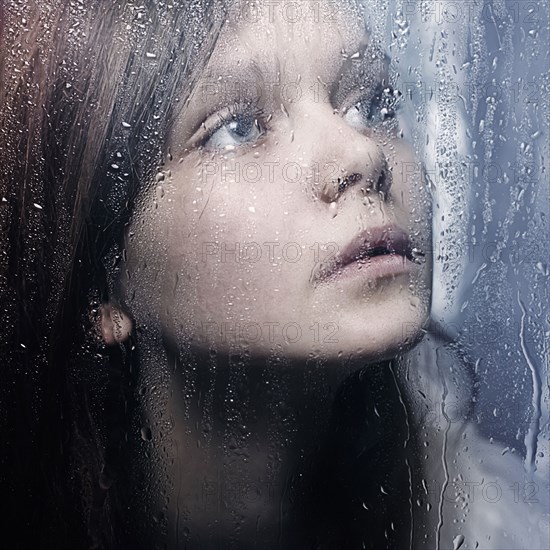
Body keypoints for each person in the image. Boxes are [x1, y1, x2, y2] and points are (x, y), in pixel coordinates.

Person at [0, 1, 547, 549]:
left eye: (371, 104)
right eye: (237, 129)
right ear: (102, 281)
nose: (361, 152)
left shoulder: (496, 525)